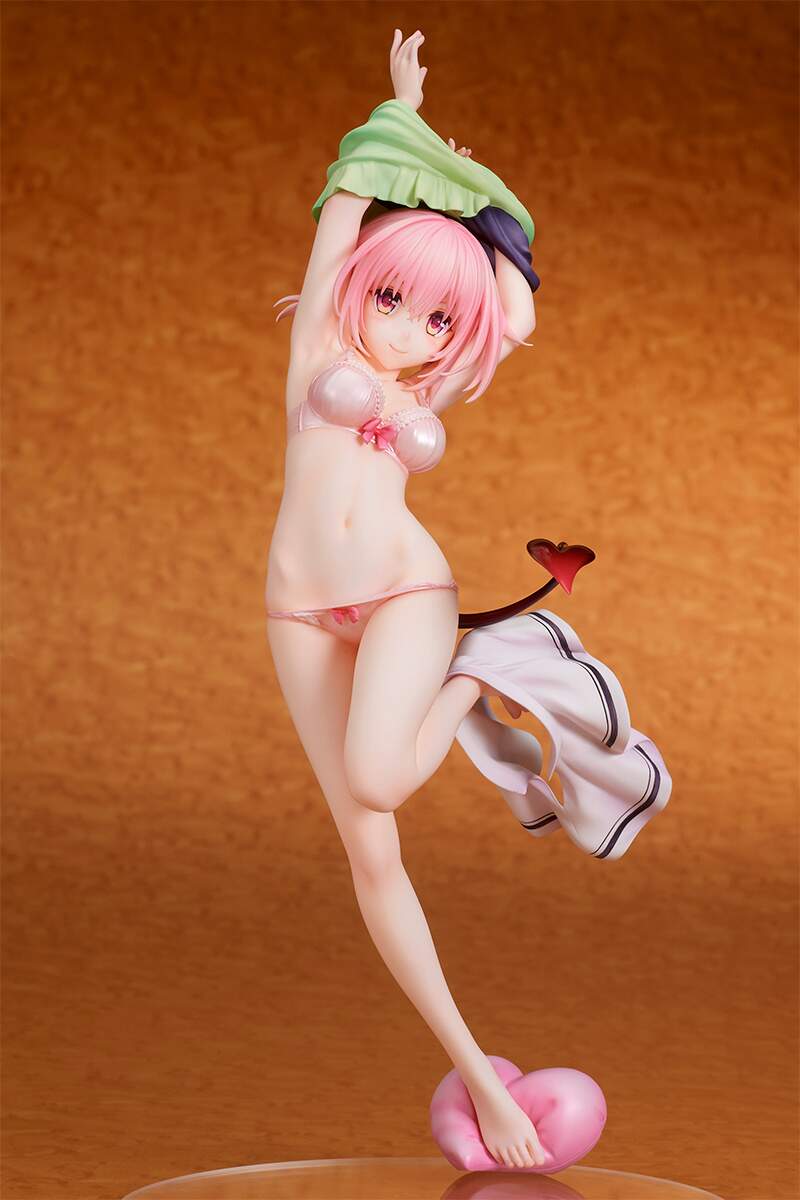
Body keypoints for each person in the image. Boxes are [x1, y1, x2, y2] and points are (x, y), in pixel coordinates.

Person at [264, 28, 669, 1171]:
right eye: (392, 300)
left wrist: (483, 211)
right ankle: (478, 1074)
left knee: (380, 777)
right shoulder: (316, 350)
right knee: (369, 854)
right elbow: (346, 196)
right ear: (360, 288)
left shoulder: (425, 386)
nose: (405, 330)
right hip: (296, 607)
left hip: (403, 588)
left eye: (435, 320)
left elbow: (515, 314)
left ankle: (484, 664)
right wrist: (401, 119)